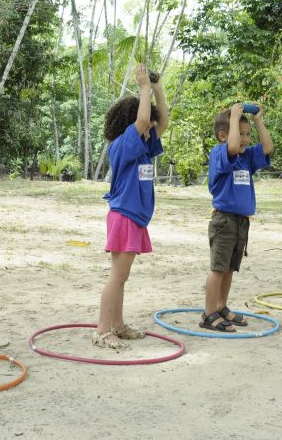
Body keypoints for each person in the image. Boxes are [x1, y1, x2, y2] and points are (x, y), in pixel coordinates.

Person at [94, 64, 168, 349]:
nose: (151, 129)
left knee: (122, 277)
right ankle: (102, 330)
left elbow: (162, 123)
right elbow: (143, 122)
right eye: (145, 125)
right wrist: (143, 87)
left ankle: (118, 324)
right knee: (118, 276)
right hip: (124, 215)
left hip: (134, 218)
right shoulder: (124, 144)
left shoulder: (144, 148)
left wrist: (158, 88)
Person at [201, 103, 273, 331]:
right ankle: (208, 314)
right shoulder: (219, 152)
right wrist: (234, 117)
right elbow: (232, 146)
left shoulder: (247, 157)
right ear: (224, 135)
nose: (244, 139)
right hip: (224, 220)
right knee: (218, 268)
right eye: (239, 134)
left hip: (242, 221)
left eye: (247, 134)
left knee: (230, 268)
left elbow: (268, 147)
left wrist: (258, 120)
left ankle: (221, 306)